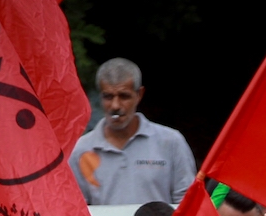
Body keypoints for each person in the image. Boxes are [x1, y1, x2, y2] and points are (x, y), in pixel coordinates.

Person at [70, 58, 196, 207]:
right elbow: (75, 211)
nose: (115, 105)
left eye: (124, 96)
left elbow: (188, 203)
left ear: (139, 94)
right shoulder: (80, 150)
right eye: (108, 96)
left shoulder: (170, 142)